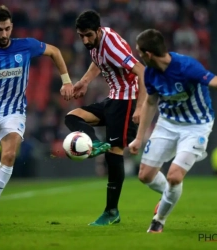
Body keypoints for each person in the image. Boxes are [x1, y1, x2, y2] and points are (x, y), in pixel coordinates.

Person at [0, 5, 73, 226]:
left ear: (12, 27)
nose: (4, 34)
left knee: (9, 155)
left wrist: (67, 80)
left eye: (7, 29)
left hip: (14, 112)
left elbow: (55, 52)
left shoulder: (26, 46)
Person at [128, 29, 217, 233]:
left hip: (196, 126)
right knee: (144, 175)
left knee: (175, 176)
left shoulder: (187, 67)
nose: (138, 56)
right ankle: (170, 194)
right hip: (167, 124)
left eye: (139, 52)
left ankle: (159, 220)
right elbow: (151, 102)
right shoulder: (150, 73)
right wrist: (139, 138)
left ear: (148, 54)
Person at [64, 10, 146, 226]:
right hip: (112, 98)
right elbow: (97, 62)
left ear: (98, 31)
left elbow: (142, 71)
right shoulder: (96, 43)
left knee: (114, 152)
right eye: (81, 36)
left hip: (127, 100)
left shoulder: (112, 45)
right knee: (72, 117)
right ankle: (95, 144)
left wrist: (141, 107)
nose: (85, 40)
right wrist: (85, 81)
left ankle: (111, 211)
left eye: (88, 35)